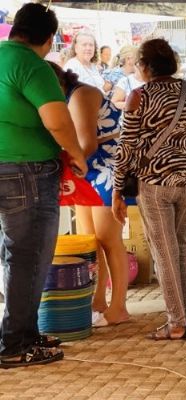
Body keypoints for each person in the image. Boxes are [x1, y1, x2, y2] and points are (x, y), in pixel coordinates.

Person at [0, 2, 87, 368]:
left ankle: (25, 332)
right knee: (30, 258)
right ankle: (15, 344)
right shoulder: (31, 65)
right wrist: (77, 153)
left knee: (14, 255)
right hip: (27, 171)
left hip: (8, 167)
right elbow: (57, 120)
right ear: (49, 38)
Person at [112, 38, 186, 340]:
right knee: (180, 248)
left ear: (144, 66)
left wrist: (118, 190)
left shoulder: (138, 97)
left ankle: (176, 322)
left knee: (164, 252)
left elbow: (126, 148)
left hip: (155, 183)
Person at [48, 62, 135, 328]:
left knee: (109, 239)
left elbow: (86, 143)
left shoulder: (81, 94)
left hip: (105, 167)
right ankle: (98, 300)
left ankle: (118, 306)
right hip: (86, 169)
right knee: (89, 242)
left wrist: (59, 171)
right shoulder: (64, 97)